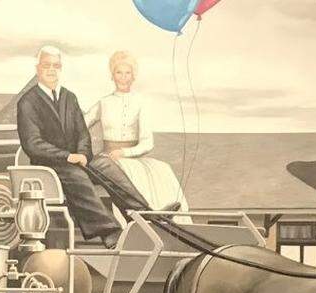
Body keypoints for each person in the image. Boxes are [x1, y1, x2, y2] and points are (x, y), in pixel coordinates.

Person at [16, 45, 160, 249]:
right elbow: (32, 144)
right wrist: (68, 156)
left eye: (56, 66)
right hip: (49, 165)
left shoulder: (69, 97)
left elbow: (82, 132)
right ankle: (111, 234)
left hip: (75, 159)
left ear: (61, 68)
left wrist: (83, 153)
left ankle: (145, 218)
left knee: (106, 164)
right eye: (46, 65)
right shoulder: (28, 102)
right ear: (37, 68)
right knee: (77, 176)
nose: (51, 70)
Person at [84, 51, 192, 223]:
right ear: (112, 75)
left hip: (133, 158)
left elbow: (147, 142)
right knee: (115, 170)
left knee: (162, 171)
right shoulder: (103, 103)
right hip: (107, 158)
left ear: (133, 76)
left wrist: (125, 153)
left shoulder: (141, 102)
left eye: (127, 73)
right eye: (119, 72)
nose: (123, 77)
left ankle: (156, 218)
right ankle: (146, 217)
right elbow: (81, 124)